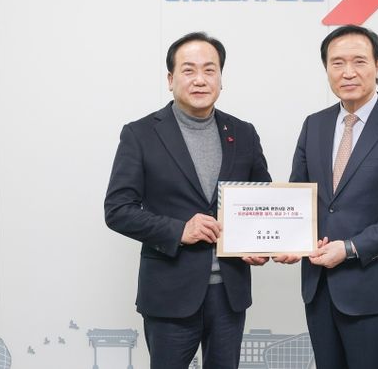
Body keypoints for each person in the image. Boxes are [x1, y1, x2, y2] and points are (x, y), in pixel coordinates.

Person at [105, 32, 271, 369]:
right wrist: (180, 230)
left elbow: (262, 199)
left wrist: (261, 244)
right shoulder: (140, 134)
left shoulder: (243, 133)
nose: (200, 79)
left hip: (229, 293)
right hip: (169, 292)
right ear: (170, 79)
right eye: (188, 70)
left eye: (210, 70)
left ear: (221, 79)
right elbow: (118, 210)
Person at [277, 25, 378, 368]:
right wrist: (289, 241)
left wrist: (350, 248)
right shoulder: (314, 125)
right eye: (337, 63)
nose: (348, 72)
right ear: (326, 69)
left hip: (374, 287)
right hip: (319, 287)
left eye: (359, 61)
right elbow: (299, 197)